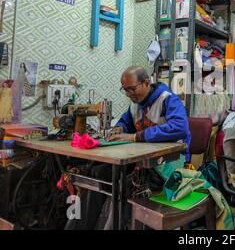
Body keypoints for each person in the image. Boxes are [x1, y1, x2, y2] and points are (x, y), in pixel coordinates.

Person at [73, 66, 191, 229]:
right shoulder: (135, 104)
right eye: (125, 90)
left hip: (169, 163)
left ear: (147, 83)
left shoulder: (168, 99)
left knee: (125, 186)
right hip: (144, 160)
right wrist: (119, 128)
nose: (128, 94)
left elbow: (180, 127)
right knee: (97, 174)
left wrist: (137, 136)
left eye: (132, 89)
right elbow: (126, 122)